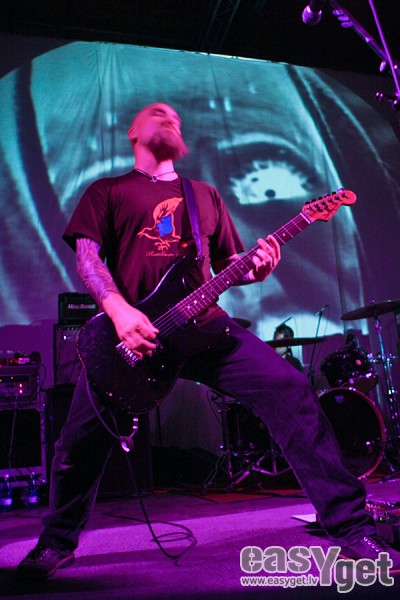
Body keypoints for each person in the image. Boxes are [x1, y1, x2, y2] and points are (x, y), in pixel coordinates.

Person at [18, 102, 400, 579]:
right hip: (132, 337)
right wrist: (119, 311)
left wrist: (257, 268)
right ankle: (55, 542)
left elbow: (228, 266)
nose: (170, 117)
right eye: (158, 112)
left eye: (175, 117)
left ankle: (350, 528)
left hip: (205, 328)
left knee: (290, 388)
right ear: (133, 131)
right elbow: (88, 259)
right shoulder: (107, 191)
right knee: (77, 444)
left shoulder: (203, 195)